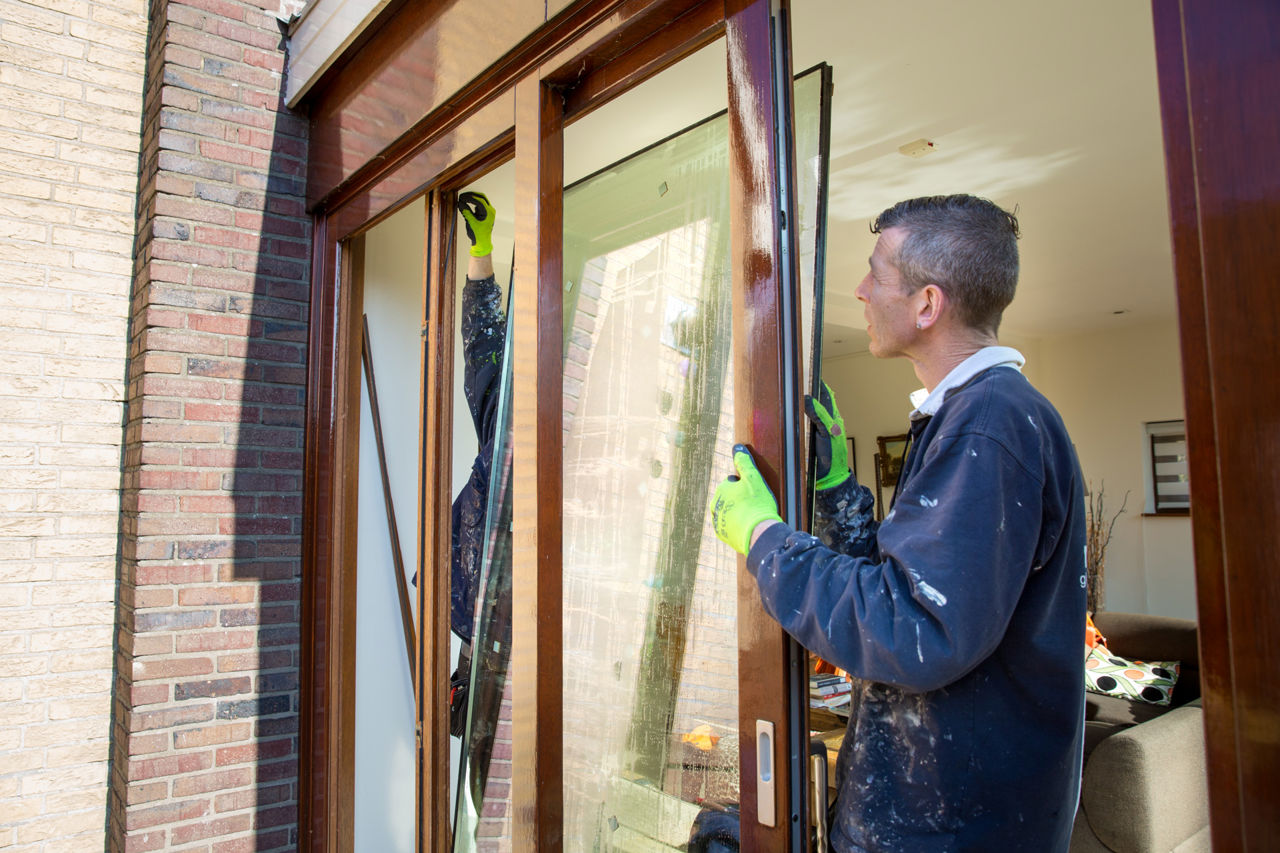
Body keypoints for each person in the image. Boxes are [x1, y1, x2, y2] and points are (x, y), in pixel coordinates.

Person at [711, 194, 1086, 851]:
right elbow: (909, 585)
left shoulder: (990, 424)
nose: (859, 290)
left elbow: (915, 630)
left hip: (954, 832)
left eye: (875, 272)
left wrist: (765, 541)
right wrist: (835, 491)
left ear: (927, 304)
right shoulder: (972, 416)